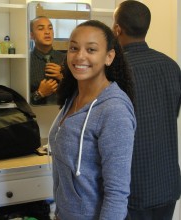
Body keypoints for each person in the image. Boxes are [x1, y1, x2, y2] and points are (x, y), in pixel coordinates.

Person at [48, 20, 136, 220]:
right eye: (73, 48)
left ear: (109, 57)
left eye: (91, 49)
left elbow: (117, 193)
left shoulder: (114, 109)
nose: (80, 56)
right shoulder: (74, 97)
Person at [112, 1, 181, 219]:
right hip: (167, 182)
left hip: (132, 185)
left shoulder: (114, 71)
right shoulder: (171, 66)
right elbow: (172, 114)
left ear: (117, 29)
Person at [29, 16, 65, 105]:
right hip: (36, 114)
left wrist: (62, 77)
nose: (47, 32)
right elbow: (19, 100)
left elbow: (78, 91)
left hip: (63, 113)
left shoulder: (65, 59)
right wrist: (39, 93)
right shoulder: (25, 62)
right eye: (41, 29)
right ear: (32, 35)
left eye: (50, 28)